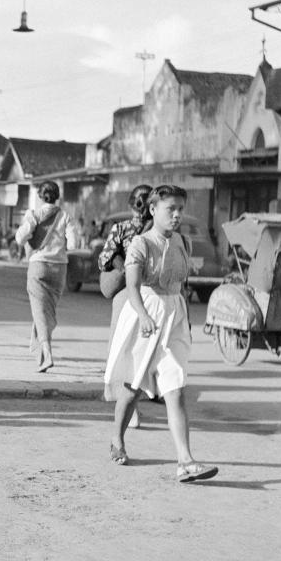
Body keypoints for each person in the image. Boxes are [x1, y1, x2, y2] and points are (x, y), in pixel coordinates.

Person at [104, 184, 218, 483]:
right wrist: (142, 315)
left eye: (181, 209)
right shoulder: (141, 243)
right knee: (133, 388)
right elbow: (132, 286)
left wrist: (184, 320)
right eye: (171, 209)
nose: (177, 215)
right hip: (146, 313)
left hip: (174, 315)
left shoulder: (181, 241)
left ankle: (185, 461)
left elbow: (182, 286)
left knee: (176, 389)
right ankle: (117, 440)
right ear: (153, 210)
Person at [99, 183, 154, 427]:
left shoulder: (120, 229)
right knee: (143, 352)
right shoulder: (160, 231)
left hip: (125, 296)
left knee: (122, 349)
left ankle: (129, 407)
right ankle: (135, 405)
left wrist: (124, 267)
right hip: (153, 295)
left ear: (131, 204)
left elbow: (103, 261)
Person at [15, 180, 79, 372]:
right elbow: (73, 245)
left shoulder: (33, 215)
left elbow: (20, 238)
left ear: (40, 196)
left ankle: (47, 352)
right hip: (59, 268)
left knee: (39, 310)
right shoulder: (66, 215)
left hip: (38, 265)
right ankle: (40, 353)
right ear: (57, 196)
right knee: (47, 311)